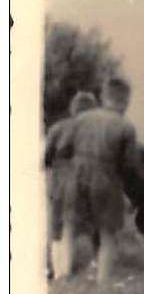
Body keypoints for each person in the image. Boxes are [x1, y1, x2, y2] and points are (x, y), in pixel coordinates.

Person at [55, 77, 144, 284]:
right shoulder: (125, 126)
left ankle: (64, 275)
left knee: (69, 227)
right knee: (107, 233)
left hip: (76, 175)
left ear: (104, 97)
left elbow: (62, 150)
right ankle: (102, 284)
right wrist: (133, 194)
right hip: (106, 178)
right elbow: (131, 166)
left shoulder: (80, 119)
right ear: (126, 101)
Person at [43, 90, 99, 280]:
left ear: (72, 108)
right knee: (82, 227)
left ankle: (57, 270)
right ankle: (87, 267)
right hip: (84, 183)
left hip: (59, 182)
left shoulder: (57, 128)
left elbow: (46, 160)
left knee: (57, 228)